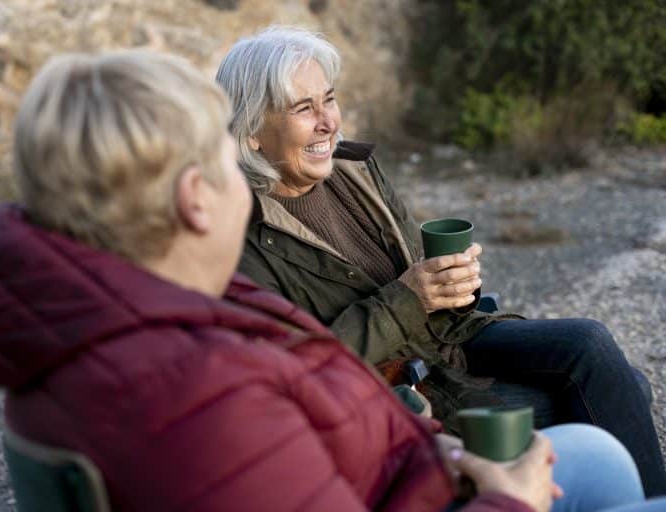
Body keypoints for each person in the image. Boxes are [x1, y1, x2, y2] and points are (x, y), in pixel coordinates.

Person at [0, 47, 665, 512]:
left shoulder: (155, 315)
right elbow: (319, 392)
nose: (325, 122)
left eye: (327, 101)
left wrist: (425, 443)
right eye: (223, 162)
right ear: (196, 196)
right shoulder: (199, 391)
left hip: (412, 453)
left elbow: (322, 399)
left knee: (596, 441)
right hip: (426, 463)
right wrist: (501, 496)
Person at [215, 26, 666, 497]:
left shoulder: (355, 169)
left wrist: (454, 282)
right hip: (402, 389)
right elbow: (299, 369)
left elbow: (423, 279)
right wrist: (409, 298)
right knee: (621, 392)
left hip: (449, 338)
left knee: (590, 345)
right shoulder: (242, 237)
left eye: (328, 99)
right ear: (251, 134)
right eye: (303, 108)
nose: (328, 121)